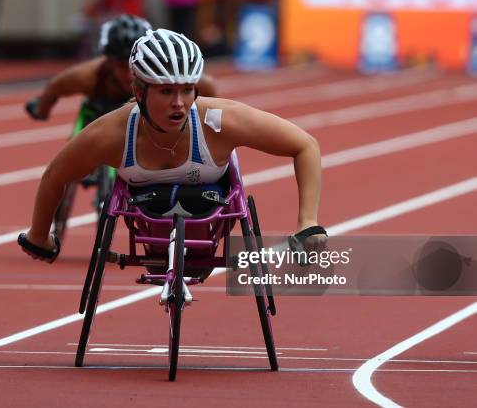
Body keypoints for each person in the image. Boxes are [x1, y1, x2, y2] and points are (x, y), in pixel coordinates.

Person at [19, 28, 326, 262]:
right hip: (145, 221)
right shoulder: (111, 133)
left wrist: (307, 222)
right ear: (138, 89)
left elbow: (305, 145)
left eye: (187, 90)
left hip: (211, 217)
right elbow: (55, 175)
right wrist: (39, 236)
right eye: (166, 91)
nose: (179, 104)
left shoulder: (219, 120)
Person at [25, 15, 217, 239]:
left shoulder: (175, 77)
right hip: (98, 112)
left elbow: (209, 98)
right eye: (118, 64)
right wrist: (42, 110)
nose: (127, 74)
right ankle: (53, 221)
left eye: (130, 64)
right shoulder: (86, 77)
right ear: (106, 61)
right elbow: (54, 88)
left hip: (147, 120)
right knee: (66, 162)